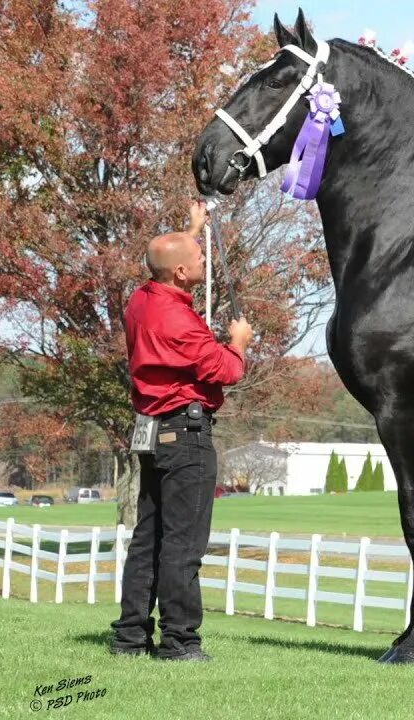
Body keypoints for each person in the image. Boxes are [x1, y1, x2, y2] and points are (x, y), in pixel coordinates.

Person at [110, 200, 253, 661]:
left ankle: (130, 637)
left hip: (151, 433)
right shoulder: (178, 322)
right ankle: (179, 642)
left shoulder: (141, 300)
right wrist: (238, 343)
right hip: (186, 435)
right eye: (199, 259)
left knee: (147, 539)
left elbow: (164, 255)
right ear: (179, 274)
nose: (204, 261)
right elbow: (226, 371)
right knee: (183, 545)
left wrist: (191, 229)